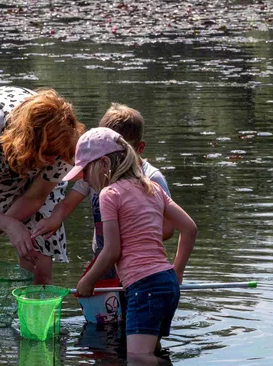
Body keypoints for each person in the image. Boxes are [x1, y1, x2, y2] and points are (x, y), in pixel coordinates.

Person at [68, 128, 197, 358]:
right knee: (152, 353)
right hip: (166, 282)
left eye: (86, 171)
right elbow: (189, 229)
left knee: (138, 359)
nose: (85, 179)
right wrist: (177, 273)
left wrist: (87, 281)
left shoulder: (109, 194)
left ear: (104, 164)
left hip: (144, 287)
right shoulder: (152, 187)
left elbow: (111, 251)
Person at [0, 86, 85, 284]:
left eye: (58, 156)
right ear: (28, 143)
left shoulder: (65, 144)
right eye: (48, 155)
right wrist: (8, 224)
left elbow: (36, 197)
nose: (55, 162)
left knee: (39, 274)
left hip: (32, 178)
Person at [31, 103, 173, 265]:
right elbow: (66, 205)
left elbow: (168, 227)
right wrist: (53, 220)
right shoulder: (96, 174)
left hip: (139, 261)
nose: (114, 164)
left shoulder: (151, 178)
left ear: (140, 148)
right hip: (103, 257)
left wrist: (132, 233)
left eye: (123, 154)